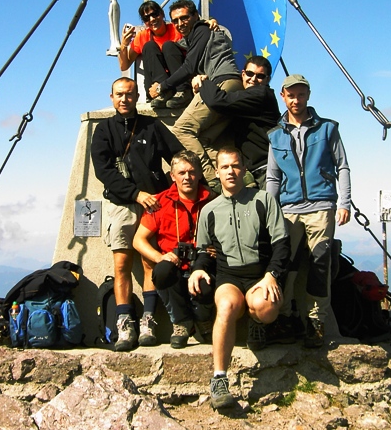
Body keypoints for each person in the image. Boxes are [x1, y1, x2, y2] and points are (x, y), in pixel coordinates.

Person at [188, 147, 290, 410]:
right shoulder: (210, 210)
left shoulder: (263, 200)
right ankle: (219, 379)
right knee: (226, 307)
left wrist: (272, 275)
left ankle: (257, 321)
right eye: (225, 167)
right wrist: (198, 268)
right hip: (229, 277)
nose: (230, 172)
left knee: (266, 309)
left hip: (260, 275)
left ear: (244, 169)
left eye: (235, 166)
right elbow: (203, 250)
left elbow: (282, 243)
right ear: (217, 172)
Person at [91, 77, 184, 351]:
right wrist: (135, 194)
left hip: (153, 204)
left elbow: (177, 153)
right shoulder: (103, 130)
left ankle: (148, 321)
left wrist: (170, 185)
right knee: (121, 265)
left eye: (129, 94)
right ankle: (124, 324)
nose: (124, 99)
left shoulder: (152, 126)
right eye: (119, 94)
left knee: (149, 264)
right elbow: (103, 172)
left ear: (137, 96)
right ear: (111, 97)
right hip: (121, 204)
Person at [266, 74, 351, 348]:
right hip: (288, 209)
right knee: (284, 265)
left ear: (308, 95)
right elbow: (273, 178)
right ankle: (286, 317)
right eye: (291, 95)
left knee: (320, 263)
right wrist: (271, 211)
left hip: (322, 206)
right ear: (283, 96)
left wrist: (344, 203)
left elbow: (343, 166)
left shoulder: (327, 129)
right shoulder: (275, 135)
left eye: (301, 94)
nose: (296, 99)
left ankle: (316, 321)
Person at [148, 0, 242, 190]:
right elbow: (176, 47)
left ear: (196, 16)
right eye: (175, 21)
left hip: (222, 83)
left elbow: (189, 66)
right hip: (230, 86)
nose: (180, 24)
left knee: (182, 130)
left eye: (184, 18)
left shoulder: (202, 30)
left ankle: (212, 181)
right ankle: (242, 175)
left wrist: (161, 87)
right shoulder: (194, 36)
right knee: (203, 140)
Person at [132, 150, 215, 349]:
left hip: (203, 264)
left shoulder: (213, 201)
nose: (187, 177)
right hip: (174, 265)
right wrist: (160, 257)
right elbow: (138, 240)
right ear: (172, 176)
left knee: (207, 281)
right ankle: (181, 323)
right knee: (161, 272)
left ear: (200, 174)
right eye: (182, 172)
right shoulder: (160, 202)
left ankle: (202, 320)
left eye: (192, 172)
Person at [198, 55, 280, 190]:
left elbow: (217, 101)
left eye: (260, 76)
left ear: (267, 80)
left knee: (272, 210)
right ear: (243, 74)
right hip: (254, 173)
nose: (253, 79)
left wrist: (203, 82)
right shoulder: (246, 100)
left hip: (269, 171)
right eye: (249, 73)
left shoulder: (262, 94)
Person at [117, 0, 191, 109]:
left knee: (168, 46)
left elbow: (195, 25)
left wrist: (210, 22)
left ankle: (183, 91)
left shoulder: (177, 28)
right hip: (156, 88)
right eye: (147, 18)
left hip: (179, 83)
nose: (152, 19)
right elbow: (124, 66)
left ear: (162, 14)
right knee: (149, 46)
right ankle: (163, 92)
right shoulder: (142, 36)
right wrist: (124, 44)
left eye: (154, 14)